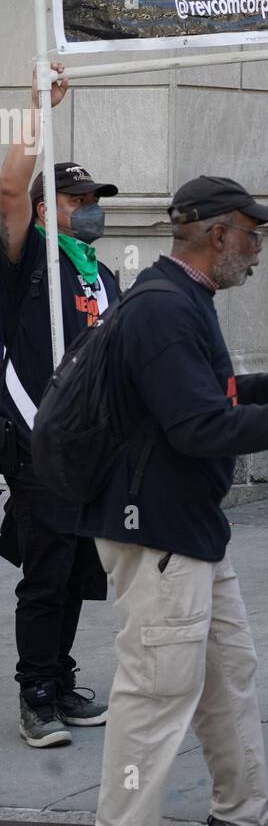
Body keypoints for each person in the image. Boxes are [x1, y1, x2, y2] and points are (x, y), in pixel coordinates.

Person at [75, 176, 268, 826]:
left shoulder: (181, 298)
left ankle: (243, 815)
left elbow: (203, 394)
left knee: (226, 676)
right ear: (215, 234)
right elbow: (198, 426)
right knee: (156, 691)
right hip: (160, 532)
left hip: (189, 528)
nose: (260, 250)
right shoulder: (164, 310)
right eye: (252, 235)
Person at [0, 65, 120, 749]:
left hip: (89, 451)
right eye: (77, 198)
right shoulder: (28, 257)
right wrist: (35, 107)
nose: (90, 207)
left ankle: (62, 677)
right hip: (38, 444)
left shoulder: (100, 273)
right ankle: (35, 696)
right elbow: (10, 185)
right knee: (46, 574)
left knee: (77, 568)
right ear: (46, 211)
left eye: (93, 197)